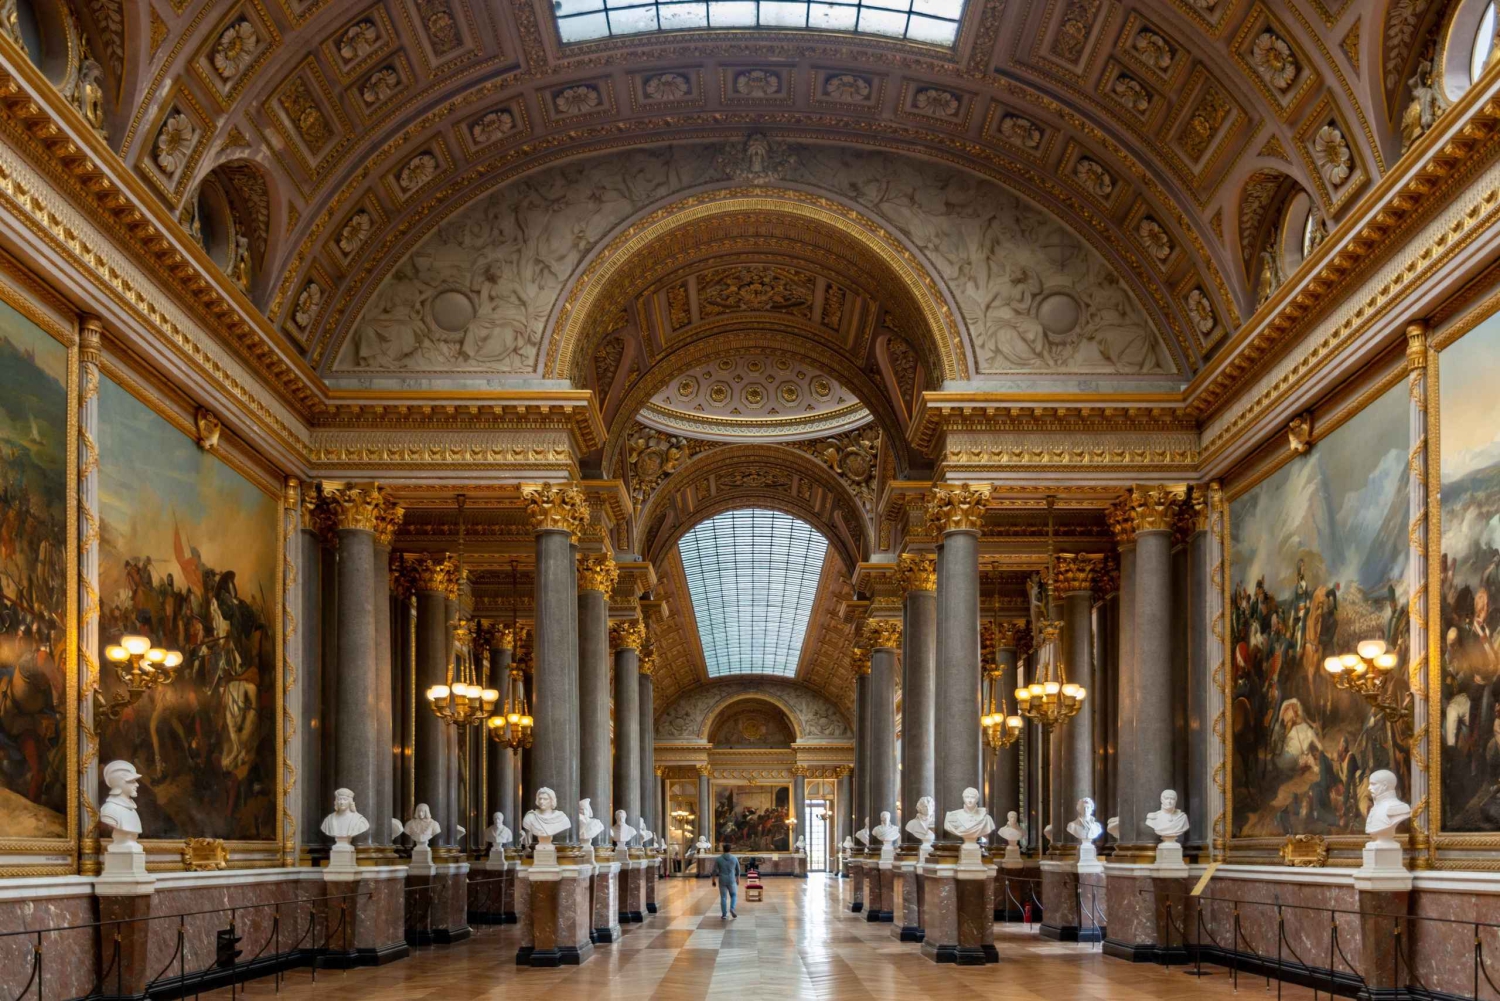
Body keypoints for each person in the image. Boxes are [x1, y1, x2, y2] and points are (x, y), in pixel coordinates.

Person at [710, 842, 740, 919]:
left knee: (723, 897)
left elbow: (714, 871)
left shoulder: (719, 859)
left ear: (723, 849)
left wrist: (713, 880)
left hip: (722, 879)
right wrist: (738, 879)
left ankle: (724, 914)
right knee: (733, 895)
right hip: (731, 879)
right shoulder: (734, 858)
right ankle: (732, 908)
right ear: (730, 849)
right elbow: (738, 870)